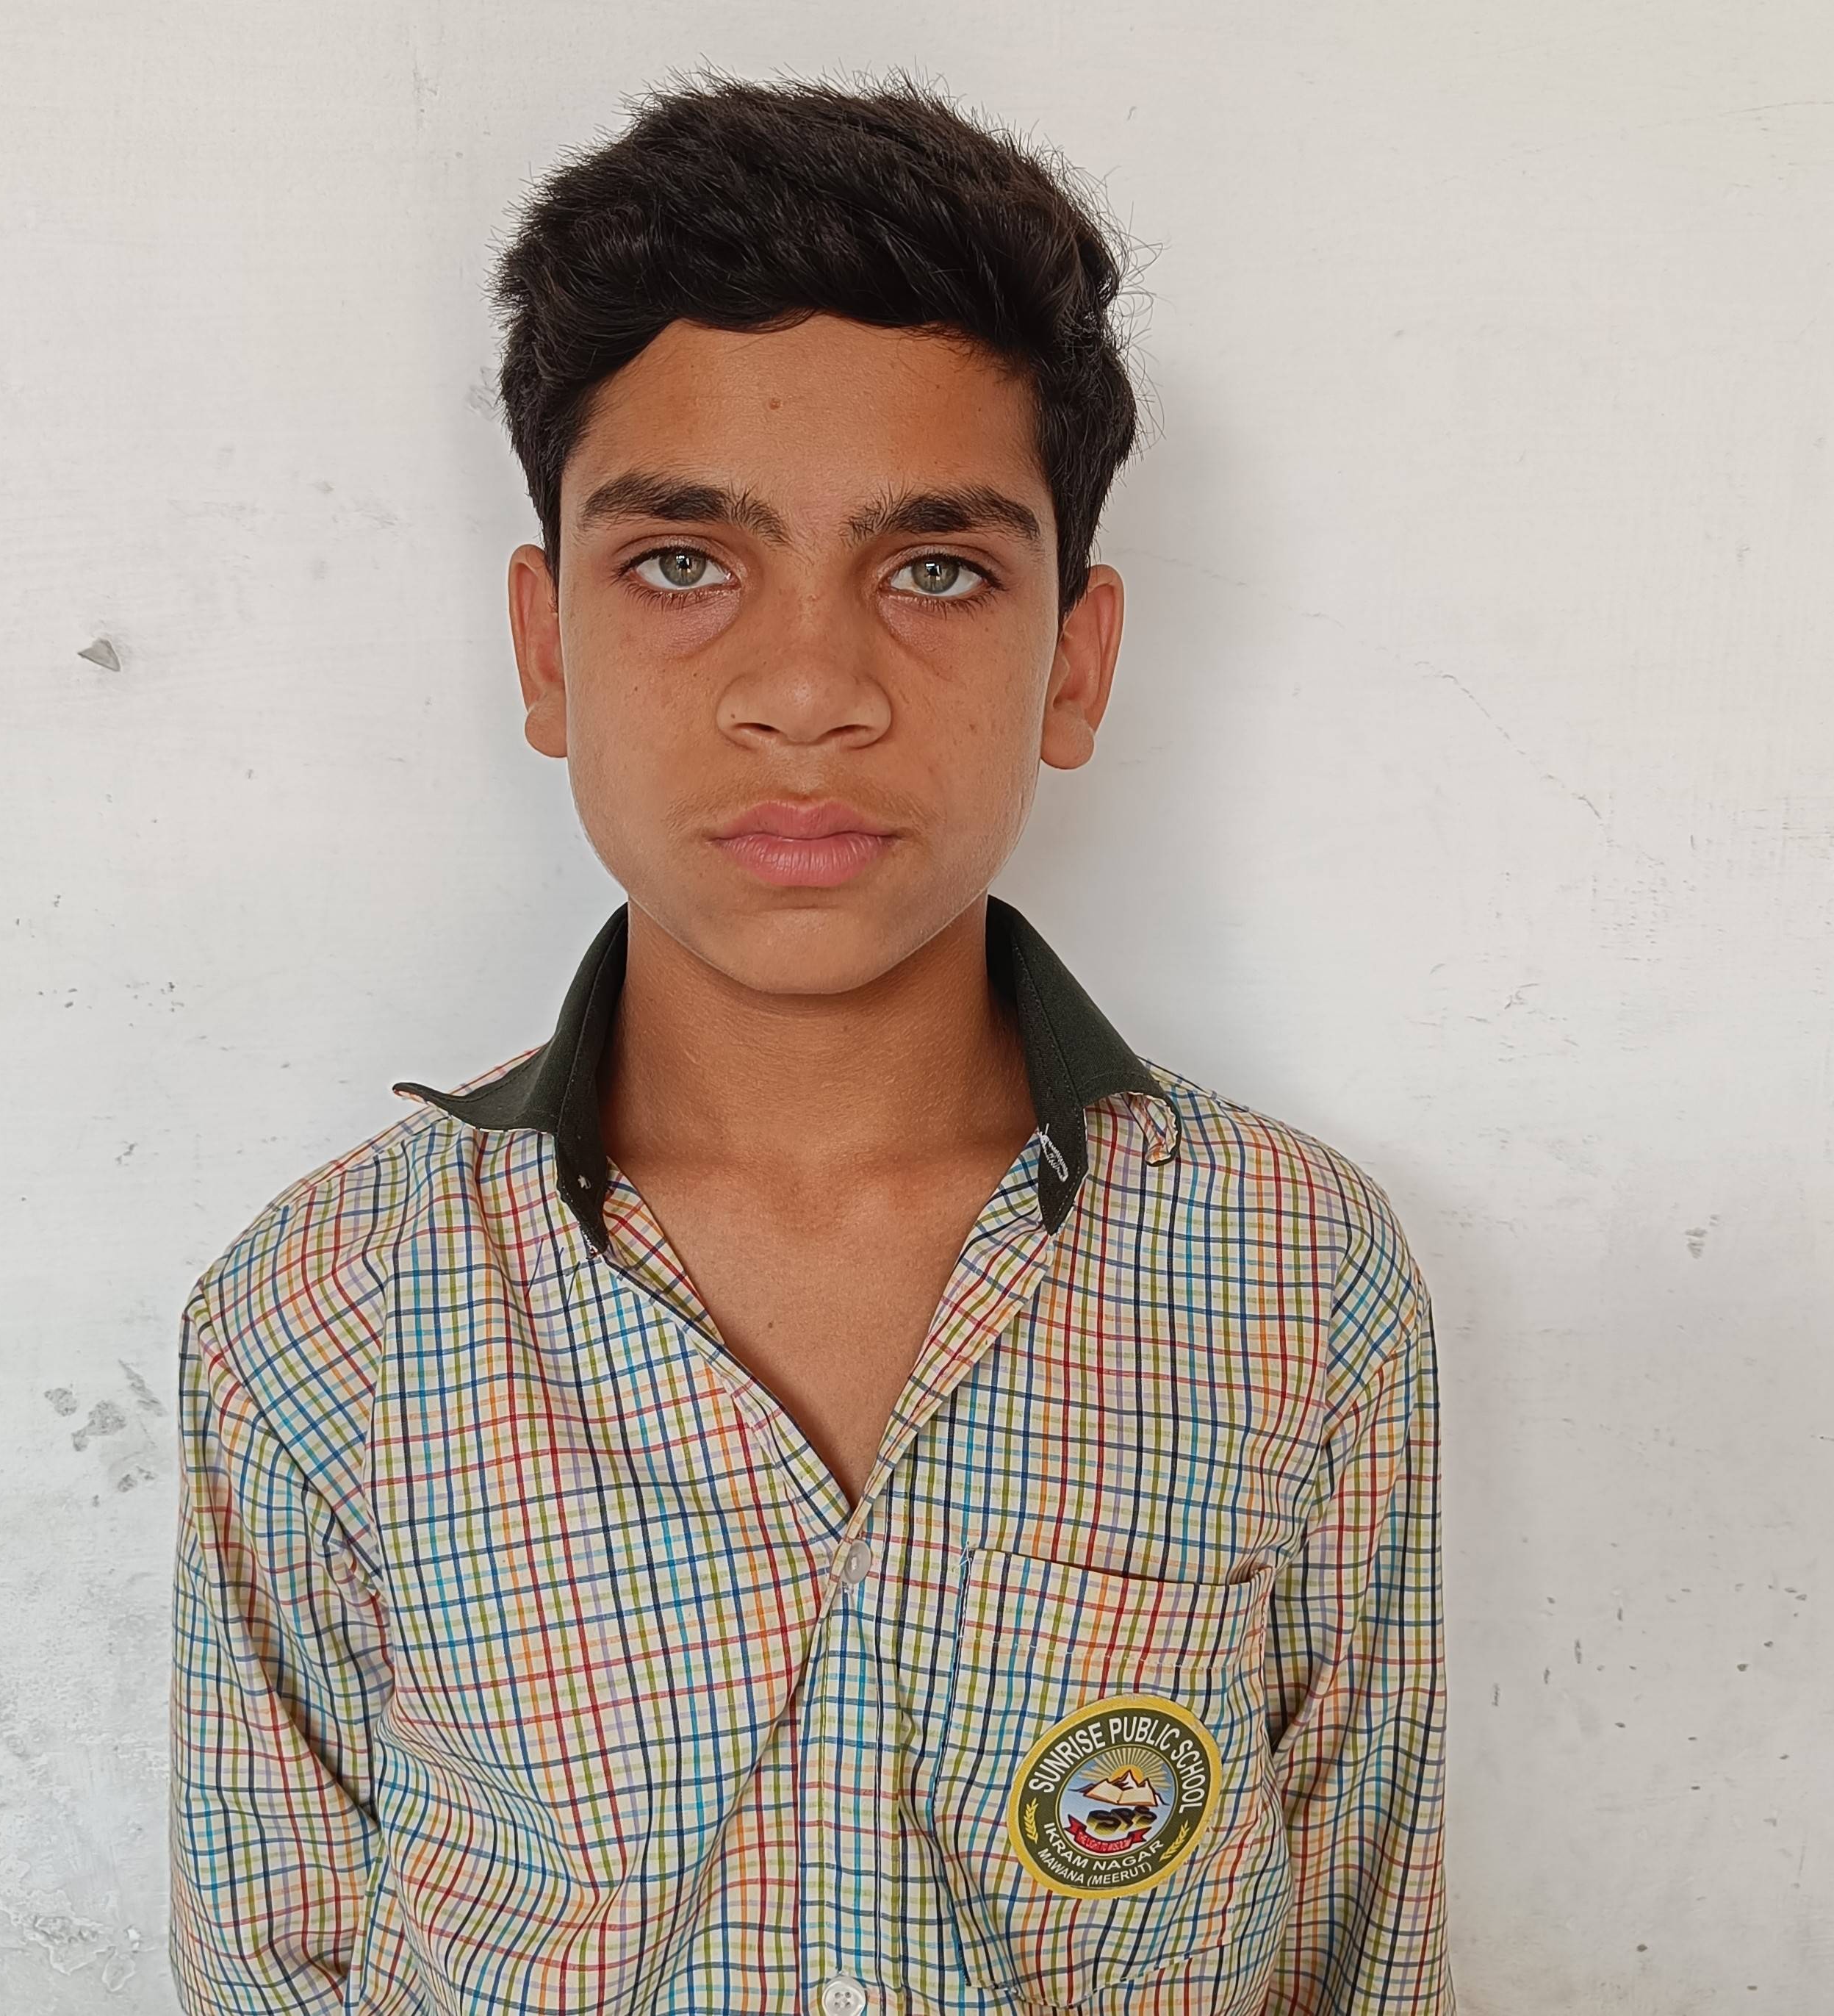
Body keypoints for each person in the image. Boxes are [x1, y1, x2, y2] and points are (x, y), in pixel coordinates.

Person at [168, 71, 1453, 2016]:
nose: (807, 689)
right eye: (684, 562)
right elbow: (275, 1966)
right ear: (546, 646)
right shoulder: (323, 1320)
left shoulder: (1293, 1279)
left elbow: (1363, 1949)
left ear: (1076, 660)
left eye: (935, 570)